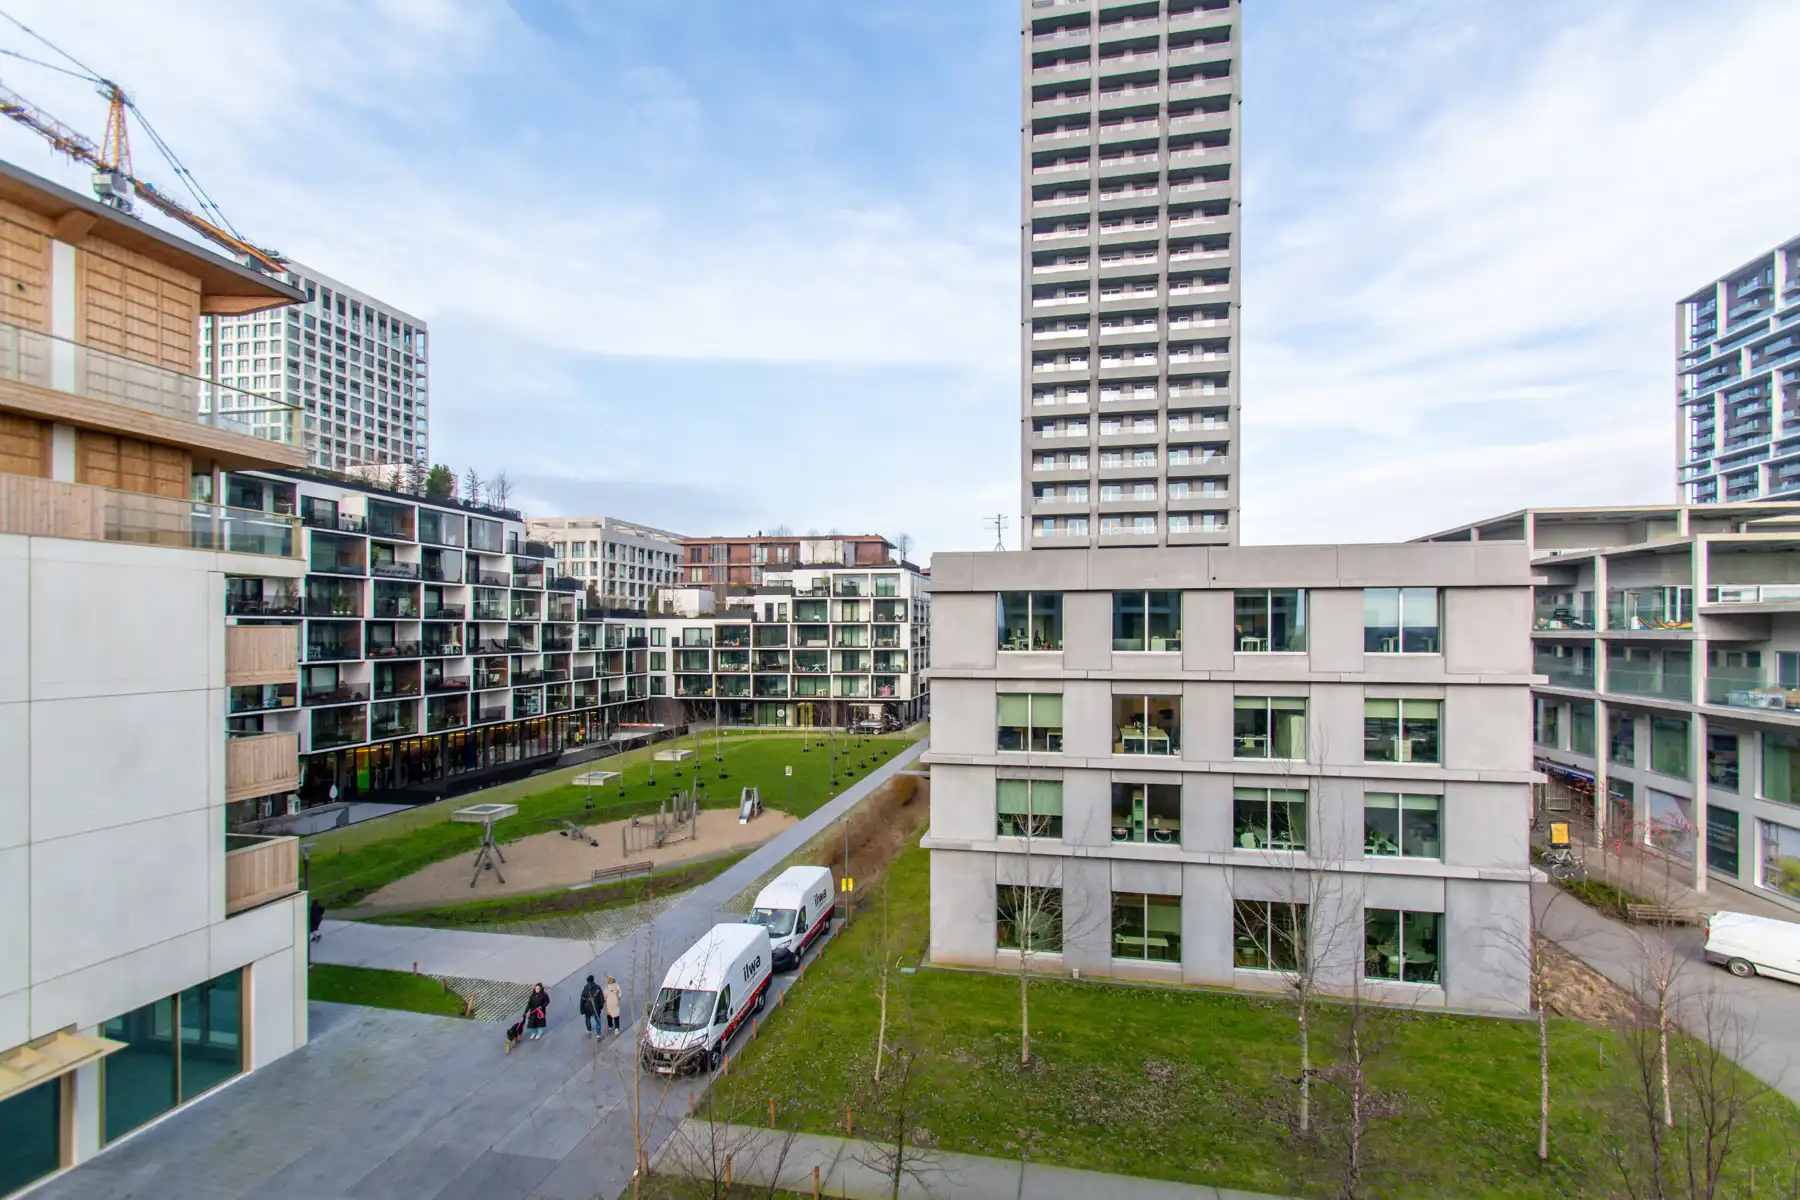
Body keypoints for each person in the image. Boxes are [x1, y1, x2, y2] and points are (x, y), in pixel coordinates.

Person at [579, 975, 602, 1039]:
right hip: (596, 1007)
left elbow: (582, 1001)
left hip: (587, 1008)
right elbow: (601, 998)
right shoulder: (597, 987)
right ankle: (598, 1034)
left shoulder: (584, 990)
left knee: (587, 1019)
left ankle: (589, 1029)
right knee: (597, 1020)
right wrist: (601, 1006)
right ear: (593, 980)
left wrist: (581, 1009)